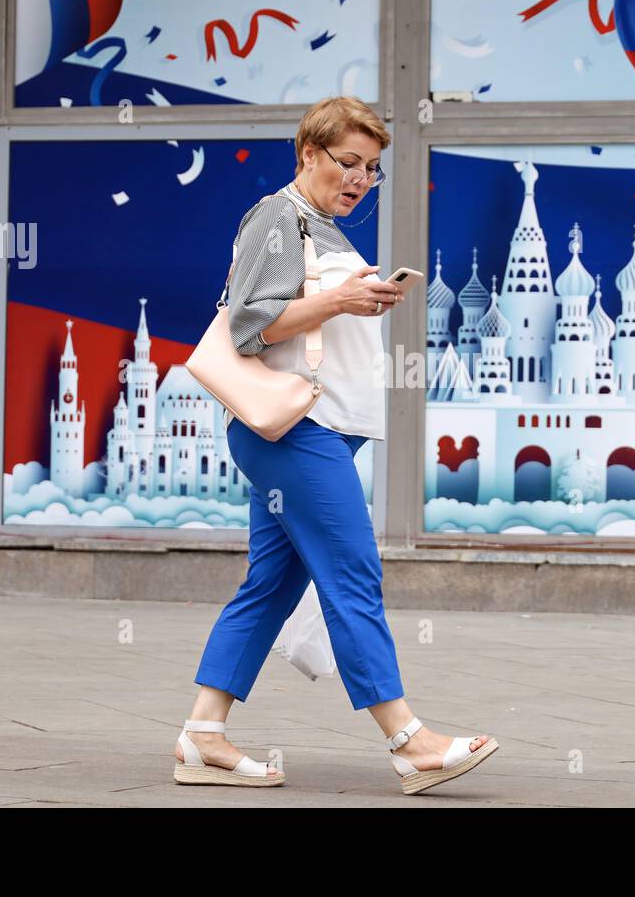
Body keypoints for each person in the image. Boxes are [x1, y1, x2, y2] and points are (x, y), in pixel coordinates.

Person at [173, 95, 499, 794]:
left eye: (372, 169)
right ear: (308, 156)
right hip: (297, 433)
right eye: (348, 163)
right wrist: (341, 301)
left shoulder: (323, 227)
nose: (359, 179)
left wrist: (361, 296)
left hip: (316, 433)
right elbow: (247, 326)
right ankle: (409, 741)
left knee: (268, 585)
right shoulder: (277, 216)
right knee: (354, 575)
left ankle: (202, 735)